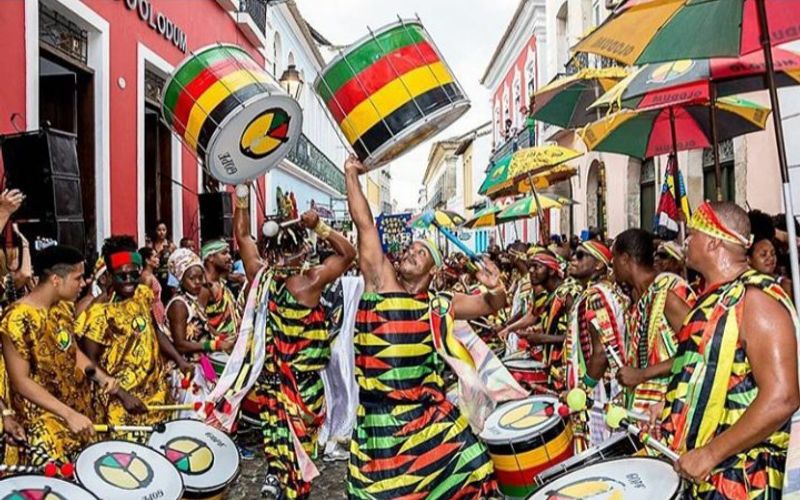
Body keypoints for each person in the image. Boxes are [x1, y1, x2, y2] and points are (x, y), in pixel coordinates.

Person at [345, 155, 504, 499]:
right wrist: (350, 176)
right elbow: (364, 224)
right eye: (411, 248)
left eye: (422, 252)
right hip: (381, 424)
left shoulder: (439, 304)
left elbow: (491, 305)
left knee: (475, 466)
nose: (412, 253)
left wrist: (496, 286)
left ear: (433, 272)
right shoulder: (379, 285)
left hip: (426, 419)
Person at [658, 202, 799, 498]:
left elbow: (783, 397)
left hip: (742, 480)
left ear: (712, 241)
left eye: (691, 235)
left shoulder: (755, 300)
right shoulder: (717, 298)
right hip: (707, 475)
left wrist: (710, 454)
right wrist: (672, 409)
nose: (685, 243)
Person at [233, 185, 356, 499]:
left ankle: (277, 477)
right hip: (304, 389)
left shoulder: (257, 274)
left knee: (277, 441)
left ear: (270, 252)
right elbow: (348, 254)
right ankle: (291, 485)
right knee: (300, 449)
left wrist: (243, 194)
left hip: (271, 385)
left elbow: (243, 237)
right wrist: (320, 226)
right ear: (304, 250)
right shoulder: (310, 281)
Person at [0, 245, 141, 463]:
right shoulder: (17, 319)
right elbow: (20, 381)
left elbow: (72, 353)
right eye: (78, 278)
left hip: (77, 414)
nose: (83, 284)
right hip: (43, 424)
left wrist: (109, 384)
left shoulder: (63, 308)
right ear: (56, 280)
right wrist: (68, 414)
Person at [79, 236, 189, 441]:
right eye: (122, 276)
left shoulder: (142, 295)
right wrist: (122, 394)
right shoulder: (98, 312)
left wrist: (180, 361)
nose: (129, 281)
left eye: (133, 274)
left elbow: (155, 331)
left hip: (155, 395)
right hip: (121, 401)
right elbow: (89, 362)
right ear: (110, 276)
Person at [611, 229, 694, 416]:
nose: (612, 265)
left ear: (625, 259)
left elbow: (698, 351)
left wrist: (641, 375)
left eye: (614, 258)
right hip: (646, 419)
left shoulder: (668, 292)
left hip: (673, 413)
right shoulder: (640, 301)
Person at [563, 240, 629, 452]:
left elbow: (601, 351)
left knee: (599, 452)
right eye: (574, 253)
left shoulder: (595, 297)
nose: (573, 258)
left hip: (602, 391)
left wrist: (582, 389)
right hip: (612, 386)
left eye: (581, 255)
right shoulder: (607, 291)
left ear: (599, 265)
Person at [199, 240, 241, 339]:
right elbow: (199, 319)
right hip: (217, 349)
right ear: (210, 257)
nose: (229, 257)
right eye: (224, 253)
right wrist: (221, 339)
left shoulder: (221, 283)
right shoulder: (205, 287)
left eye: (229, 253)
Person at [139, 247, 167, 330]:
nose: (158, 259)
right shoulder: (147, 278)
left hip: (158, 312)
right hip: (153, 314)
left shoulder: (151, 275)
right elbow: (144, 300)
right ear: (147, 260)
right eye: (154, 257)